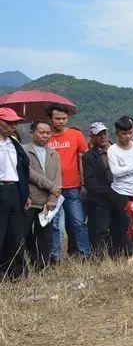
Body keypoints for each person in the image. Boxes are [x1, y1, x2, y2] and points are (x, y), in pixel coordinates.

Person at [46, 102, 90, 260]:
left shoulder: (76, 135)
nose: (61, 121)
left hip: (73, 186)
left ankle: (85, 254)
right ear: (50, 118)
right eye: (57, 118)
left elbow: (82, 160)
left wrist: (83, 183)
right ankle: (54, 257)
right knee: (54, 225)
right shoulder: (45, 135)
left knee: (78, 222)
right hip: (52, 188)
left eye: (64, 118)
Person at [107, 117, 133, 256]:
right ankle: (129, 253)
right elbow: (115, 172)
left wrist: (126, 168)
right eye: (124, 134)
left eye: (130, 133)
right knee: (125, 223)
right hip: (120, 191)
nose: (128, 136)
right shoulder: (112, 150)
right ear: (117, 134)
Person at [22, 121, 61, 271]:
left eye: (48, 132)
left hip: (47, 202)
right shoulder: (24, 151)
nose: (45, 135)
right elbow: (29, 173)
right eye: (41, 132)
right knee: (24, 233)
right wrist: (51, 187)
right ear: (32, 133)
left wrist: (53, 198)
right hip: (29, 200)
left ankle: (42, 266)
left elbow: (58, 178)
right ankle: (25, 262)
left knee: (45, 235)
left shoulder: (54, 153)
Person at [0, 108, 29, 280]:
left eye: (15, 122)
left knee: (16, 235)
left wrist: (25, 193)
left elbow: (23, 168)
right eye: (9, 122)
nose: (13, 126)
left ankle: (16, 273)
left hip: (15, 191)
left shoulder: (14, 143)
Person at [82, 122, 117, 256]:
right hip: (99, 199)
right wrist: (108, 192)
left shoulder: (117, 150)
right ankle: (100, 256)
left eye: (104, 133)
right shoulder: (88, 156)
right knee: (100, 229)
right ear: (92, 137)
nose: (103, 137)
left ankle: (119, 254)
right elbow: (89, 180)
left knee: (119, 227)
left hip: (120, 196)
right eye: (98, 135)